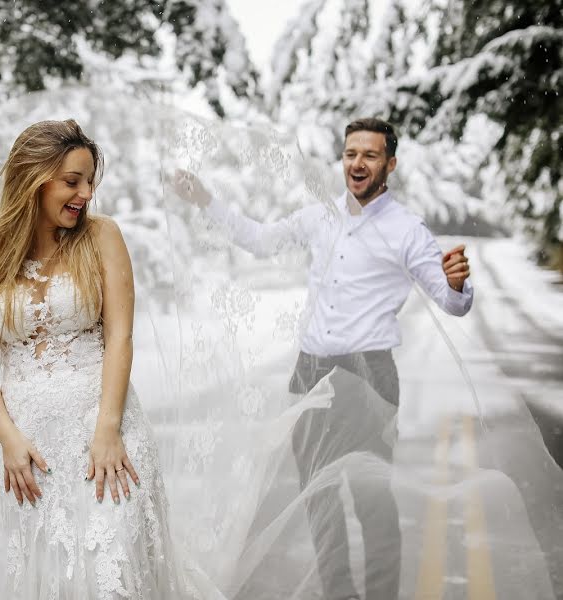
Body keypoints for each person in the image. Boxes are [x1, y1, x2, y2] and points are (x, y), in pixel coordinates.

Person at [173, 117, 474, 600]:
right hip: (310, 373)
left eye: (370, 155)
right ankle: (339, 594)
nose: (358, 163)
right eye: (351, 153)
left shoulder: (406, 229)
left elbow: (451, 300)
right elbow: (260, 239)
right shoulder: (319, 217)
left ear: (389, 164)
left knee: (371, 500)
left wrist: (457, 283)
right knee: (319, 500)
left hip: (369, 376)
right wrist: (206, 200)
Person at [0, 119, 207, 599]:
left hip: (109, 438)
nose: (86, 193)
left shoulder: (102, 237)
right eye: (72, 181)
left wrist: (108, 429)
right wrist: (7, 437)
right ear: (33, 177)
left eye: (90, 180)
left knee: (115, 579)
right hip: (32, 449)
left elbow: (120, 337)